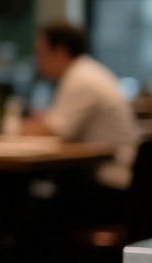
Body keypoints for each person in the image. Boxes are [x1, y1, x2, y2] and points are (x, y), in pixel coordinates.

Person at [21, 21, 137, 189]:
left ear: (60, 52)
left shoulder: (80, 79)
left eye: (41, 53)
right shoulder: (86, 70)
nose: (38, 61)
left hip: (110, 181)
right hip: (118, 175)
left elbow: (54, 131)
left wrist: (15, 127)